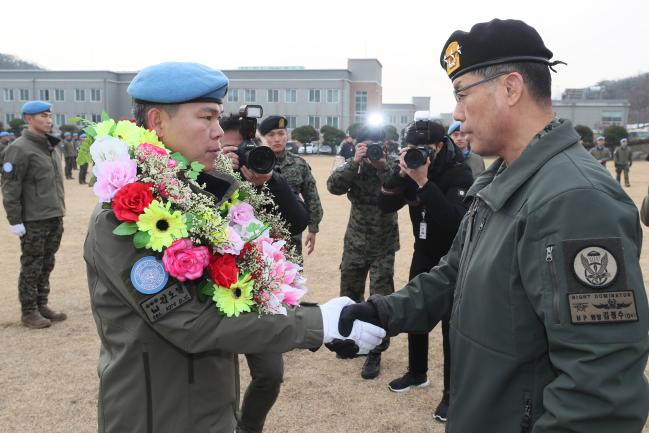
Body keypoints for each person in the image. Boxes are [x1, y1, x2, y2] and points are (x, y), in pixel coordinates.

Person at [335, 19, 649, 433]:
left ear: (511, 88)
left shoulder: (576, 200)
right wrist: (382, 311)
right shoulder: (502, 179)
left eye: (462, 94)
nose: (457, 113)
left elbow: (599, 392)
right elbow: (453, 275)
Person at [83, 61, 385, 433]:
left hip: (208, 405)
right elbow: (191, 324)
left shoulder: (193, 193)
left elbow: (275, 237)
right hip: (157, 414)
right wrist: (317, 324)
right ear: (157, 122)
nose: (218, 133)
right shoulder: (126, 214)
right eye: (206, 118)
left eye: (219, 118)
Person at [219, 112, 310, 433]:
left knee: (270, 374)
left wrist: (271, 181)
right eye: (223, 147)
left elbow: (299, 220)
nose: (229, 154)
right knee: (214, 375)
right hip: (211, 287)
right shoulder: (198, 177)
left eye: (236, 148)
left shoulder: (265, 173)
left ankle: (249, 428)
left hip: (256, 287)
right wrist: (221, 175)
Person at [378, 120, 473, 422]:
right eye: (414, 149)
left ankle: (451, 394)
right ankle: (417, 373)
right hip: (423, 251)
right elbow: (383, 204)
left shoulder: (459, 171)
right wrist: (400, 173)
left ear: (441, 145)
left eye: (426, 148)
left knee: (450, 326)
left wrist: (423, 182)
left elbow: (453, 222)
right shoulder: (412, 167)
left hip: (454, 256)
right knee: (416, 313)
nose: (421, 154)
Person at [326, 125, 399, 379]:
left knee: (380, 298)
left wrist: (380, 165)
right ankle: (349, 339)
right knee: (349, 294)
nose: (372, 151)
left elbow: (400, 187)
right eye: (367, 146)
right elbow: (333, 187)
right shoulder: (353, 166)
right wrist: (353, 161)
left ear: (386, 144)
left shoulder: (393, 165)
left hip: (383, 243)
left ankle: (376, 350)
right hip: (355, 241)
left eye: (376, 145)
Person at [1, 100, 67, 329]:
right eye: (42, 116)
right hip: (33, 219)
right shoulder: (19, 148)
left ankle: (41, 304)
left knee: (47, 263)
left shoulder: (50, 145)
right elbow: (10, 187)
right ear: (28, 119)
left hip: (53, 214)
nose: (49, 120)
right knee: (32, 265)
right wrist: (15, 220)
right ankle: (29, 311)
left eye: (50, 116)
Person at [260, 115, 323, 259]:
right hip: (259, 235)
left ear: (287, 136)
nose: (277, 139)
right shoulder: (254, 163)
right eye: (271, 135)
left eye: (281, 134)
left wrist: (313, 229)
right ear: (263, 138)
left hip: (291, 236)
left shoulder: (299, 164)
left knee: (292, 277)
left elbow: (312, 198)